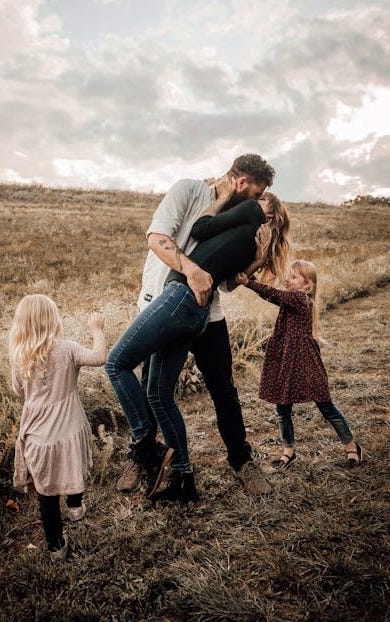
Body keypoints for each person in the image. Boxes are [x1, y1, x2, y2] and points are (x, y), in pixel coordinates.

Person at [105, 158, 291, 503]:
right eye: (258, 192)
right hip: (162, 299)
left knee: (222, 387)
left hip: (208, 312)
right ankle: (143, 457)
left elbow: (231, 283)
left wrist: (258, 257)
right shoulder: (189, 190)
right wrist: (191, 271)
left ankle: (242, 460)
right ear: (241, 182)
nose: (260, 201)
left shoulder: (241, 218)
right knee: (152, 386)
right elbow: (156, 237)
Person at [238, 260, 363, 468]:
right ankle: (289, 450)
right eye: (288, 275)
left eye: (294, 276)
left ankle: (351, 445)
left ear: (308, 286)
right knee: (282, 406)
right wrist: (250, 279)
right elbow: (270, 294)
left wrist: (248, 283)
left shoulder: (299, 298)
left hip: (305, 361)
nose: (288, 279)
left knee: (325, 404)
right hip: (287, 359)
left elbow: (275, 294)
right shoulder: (291, 299)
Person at [9, 294, 106, 560]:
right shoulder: (68, 348)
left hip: (37, 435)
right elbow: (100, 357)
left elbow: (19, 391)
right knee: (72, 464)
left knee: (46, 492)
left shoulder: (19, 356)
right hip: (68, 428)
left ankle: (56, 547)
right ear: (53, 320)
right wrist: (97, 329)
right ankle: (75, 507)